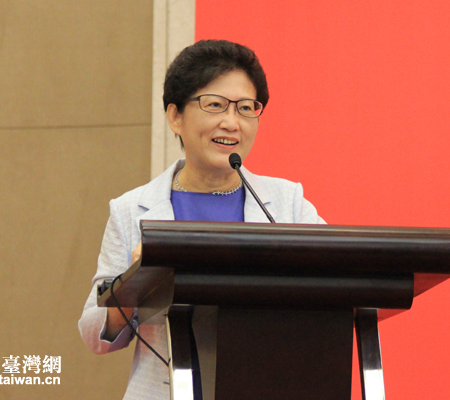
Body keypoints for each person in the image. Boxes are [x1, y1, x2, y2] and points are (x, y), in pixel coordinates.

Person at [78, 39, 325, 400]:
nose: (232, 122)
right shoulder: (131, 209)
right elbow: (95, 335)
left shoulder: (287, 203)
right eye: (214, 105)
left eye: (246, 108)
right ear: (175, 116)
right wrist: (133, 281)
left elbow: (340, 285)